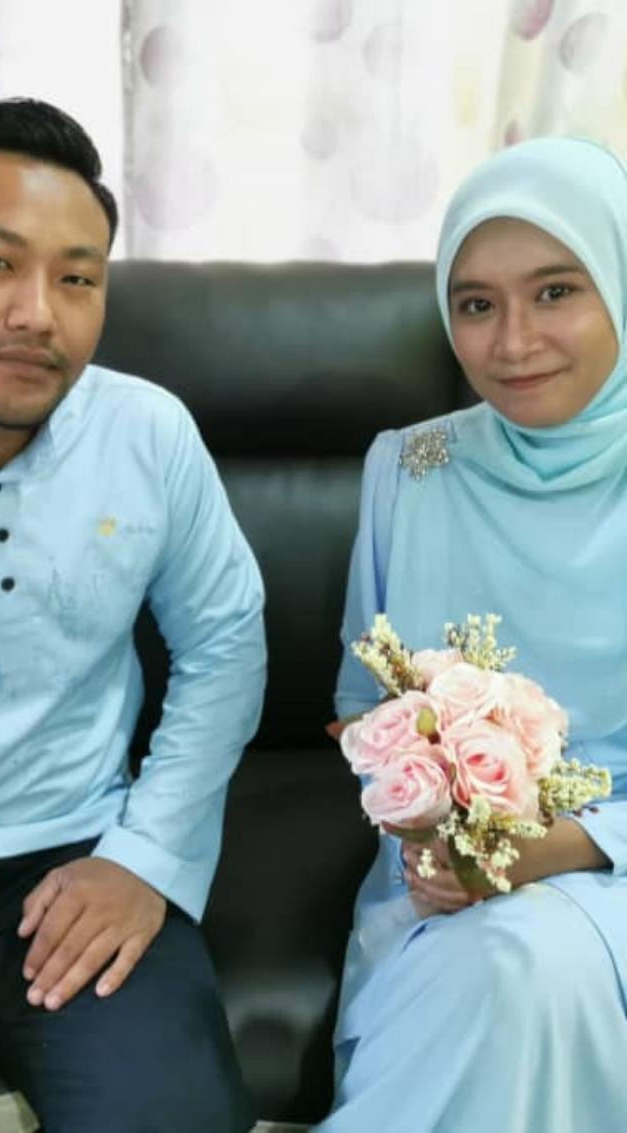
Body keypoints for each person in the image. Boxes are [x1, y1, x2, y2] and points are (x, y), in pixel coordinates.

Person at [0, 98, 266, 1133]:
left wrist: (144, 854)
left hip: (66, 848)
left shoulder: (146, 433)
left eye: (77, 278)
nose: (39, 313)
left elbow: (226, 639)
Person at [315, 136, 627, 1132]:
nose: (513, 342)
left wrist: (552, 847)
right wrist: (432, 815)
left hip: (609, 862)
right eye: (477, 304)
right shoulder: (408, 470)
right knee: (502, 964)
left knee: (527, 968)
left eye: (556, 291)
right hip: (452, 881)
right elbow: (362, 706)